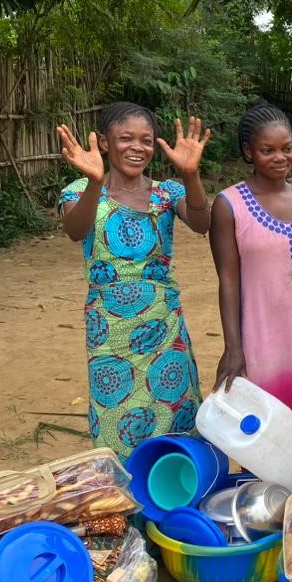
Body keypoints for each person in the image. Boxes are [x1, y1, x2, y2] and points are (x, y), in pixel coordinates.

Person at [56, 104, 210, 461]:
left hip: (164, 324)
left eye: (146, 140)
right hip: (108, 330)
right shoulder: (78, 191)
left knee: (175, 411)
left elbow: (202, 223)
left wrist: (191, 175)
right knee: (115, 414)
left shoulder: (167, 193)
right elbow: (75, 230)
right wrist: (95, 183)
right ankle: (126, 492)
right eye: (126, 138)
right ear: (105, 143)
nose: (137, 147)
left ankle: (176, 483)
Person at [210, 102, 292, 470]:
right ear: (248, 151)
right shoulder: (229, 206)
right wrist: (233, 347)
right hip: (261, 339)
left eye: (287, 148)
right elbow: (228, 279)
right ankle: (267, 503)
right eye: (267, 150)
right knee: (267, 434)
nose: (280, 157)